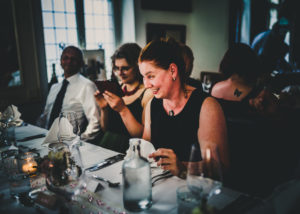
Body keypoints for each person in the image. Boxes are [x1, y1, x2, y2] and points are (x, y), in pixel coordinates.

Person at [138, 38, 229, 177]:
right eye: (143, 77)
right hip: (160, 185)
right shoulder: (153, 104)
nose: (146, 85)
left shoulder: (206, 106)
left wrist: (183, 167)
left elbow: (221, 167)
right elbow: (145, 147)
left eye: (150, 76)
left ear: (173, 71)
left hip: (196, 190)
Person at [94, 43, 153, 153]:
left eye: (125, 68)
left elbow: (142, 136)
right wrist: (104, 108)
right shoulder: (116, 88)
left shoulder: (147, 93)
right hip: (107, 145)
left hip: (130, 150)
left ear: (137, 67)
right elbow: (106, 129)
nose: (120, 73)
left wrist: (123, 110)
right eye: (116, 68)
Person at [39, 46, 101, 142]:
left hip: (70, 143)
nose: (69, 61)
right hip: (47, 140)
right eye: (65, 58)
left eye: (73, 59)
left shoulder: (87, 86)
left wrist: (79, 142)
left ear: (81, 63)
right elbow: (45, 117)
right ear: (60, 61)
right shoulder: (54, 87)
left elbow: (95, 122)